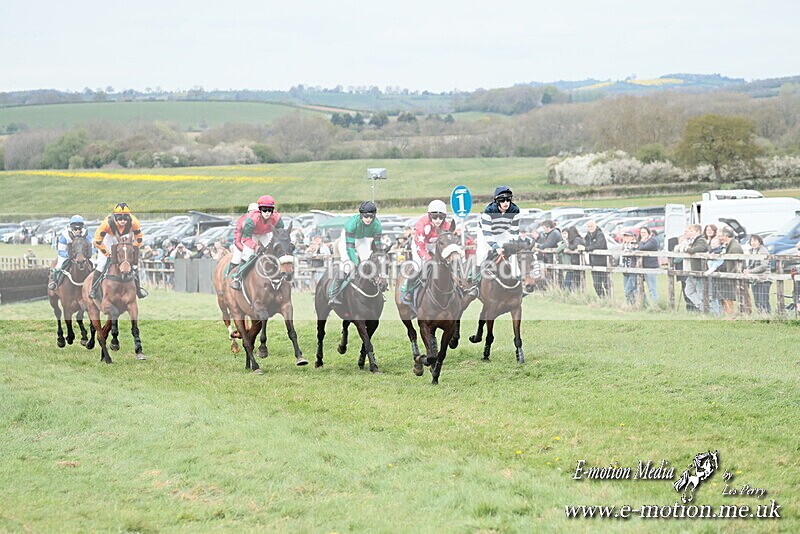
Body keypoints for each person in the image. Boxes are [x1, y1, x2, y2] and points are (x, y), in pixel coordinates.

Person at [88, 203, 148, 299]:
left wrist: (133, 248)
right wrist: (107, 253)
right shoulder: (106, 224)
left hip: (125, 237)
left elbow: (139, 238)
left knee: (134, 265)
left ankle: (138, 289)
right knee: (102, 263)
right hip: (108, 237)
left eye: (125, 219)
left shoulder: (134, 222)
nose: (123, 221)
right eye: (120, 218)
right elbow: (97, 241)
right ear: (115, 218)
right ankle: (93, 289)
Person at [402, 199, 456, 304]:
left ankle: (458, 288)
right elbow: (421, 247)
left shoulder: (447, 226)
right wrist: (429, 259)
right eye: (434, 216)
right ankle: (408, 291)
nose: (438, 220)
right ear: (429, 215)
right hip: (420, 245)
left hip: (436, 245)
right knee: (419, 266)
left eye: (441, 217)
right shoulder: (422, 225)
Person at [329, 201, 383, 305]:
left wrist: (379, 254)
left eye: (371, 217)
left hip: (361, 239)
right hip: (347, 241)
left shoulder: (377, 225)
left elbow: (377, 246)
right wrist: (356, 263)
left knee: (369, 263)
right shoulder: (352, 224)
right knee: (348, 266)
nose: (368, 219)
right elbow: (350, 249)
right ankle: (333, 294)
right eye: (366, 217)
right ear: (361, 215)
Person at [229, 197, 284, 290]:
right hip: (252, 235)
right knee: (248, 255)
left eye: (269, 210)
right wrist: (255, 247)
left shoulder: (277, 218)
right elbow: (246, 238)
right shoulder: (251, 220)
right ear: (259, 210)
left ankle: (282, 275)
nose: (267, 212)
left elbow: (281, 233)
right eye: (264, 209)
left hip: (265, 233)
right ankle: (237, 278)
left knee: (276, 250)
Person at [476, 186, 522, 266]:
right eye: (502, 200)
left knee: (512, 255)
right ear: (497, 201)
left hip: (502, 232)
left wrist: (511, 245)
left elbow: (514, 231)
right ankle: (475, 276)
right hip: (485, 232)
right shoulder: (489, 211)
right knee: (482, 254)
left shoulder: (515, 210)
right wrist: (495, 247)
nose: (506, 202)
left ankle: (516, 276)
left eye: (508, 199)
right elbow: (487, 233)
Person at [676, 224, 708, 312]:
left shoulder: (701, 240)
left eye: (692, 231)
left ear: (697, 232)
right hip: (691, 270)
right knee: (688, 291)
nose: (690, 233)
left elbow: (698, 249)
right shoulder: (693, 240)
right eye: (689, 231)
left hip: (698, 269)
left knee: (700, 291)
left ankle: (707, 309)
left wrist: (687, 249)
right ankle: (701, 307)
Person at [713, 226, 744, 316]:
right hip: (729, 275)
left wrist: (730, 275)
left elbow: (738, 263)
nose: (720, 238)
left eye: (721, 236)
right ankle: (728, 315)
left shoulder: (734, 247)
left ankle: (730, 316)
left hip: (731, 277)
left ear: (726, 236)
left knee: (728, 298)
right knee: (725, 297)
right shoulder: (730, 245)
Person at [743, 234, 771, 314]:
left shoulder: (763, 251)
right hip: (755, 280)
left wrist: (750, 271)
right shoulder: (752, 251)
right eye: (751, 241)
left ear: (759, 241)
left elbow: (764, 266)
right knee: (757, 301)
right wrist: (747, 269)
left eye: (755, 241)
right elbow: (752, 264)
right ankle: (761, 317)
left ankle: (767, 317)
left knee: (763, 301)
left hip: (764, 280)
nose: (753, 243)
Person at [582, 220, 609, 297]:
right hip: (593, 262)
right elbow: (585, 245)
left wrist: (587, 248)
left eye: (591, 226)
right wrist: (584, 247)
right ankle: (602, 298)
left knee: (606, 282)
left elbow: (599, 245)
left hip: (603, 262)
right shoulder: (587, 236)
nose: (590, 228)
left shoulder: (600, 234)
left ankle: (610, 298)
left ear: (595, 226)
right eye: (588, 226)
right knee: (596, 284)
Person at [555, 227, 583, 291]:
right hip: (566, 265)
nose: (564, 235)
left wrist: (563, 245)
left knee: (568, 283)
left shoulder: (567, 243)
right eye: (563, 234)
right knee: (568, 283)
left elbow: (557, 250)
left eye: (565, 233)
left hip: (570, 265)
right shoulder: (565, 242)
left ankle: (568, 294)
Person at [637, 227, 660, 305]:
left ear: (648, 233)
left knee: (652, 287)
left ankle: (655, 305)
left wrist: (641, 241)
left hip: (651, 266)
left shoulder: (652, 240)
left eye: (644, 233)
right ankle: (644, 303)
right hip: (643, 266)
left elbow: (642, 248)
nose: (642, 234)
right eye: (641, 233)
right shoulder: (643, 241)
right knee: (640, 286)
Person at [620, 231, 638, 305]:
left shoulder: (634, 244)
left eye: (628, 236)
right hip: (625, 269)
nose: (626, 238)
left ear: (632, 237)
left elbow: (633, 253)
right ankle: (630, 304)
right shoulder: (624, 245)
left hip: (632, 269)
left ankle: (635, 303)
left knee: (630, 289)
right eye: (625, 236)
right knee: (626, 289)